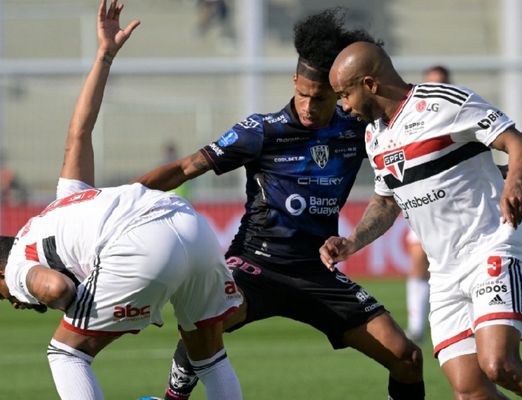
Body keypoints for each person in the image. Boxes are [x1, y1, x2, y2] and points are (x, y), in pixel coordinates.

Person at [135, 8, 425, 400]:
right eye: (302, 94)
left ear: (339, 93)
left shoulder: (357, 127)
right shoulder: (261, 131)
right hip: (257, 265)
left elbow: (418, 151)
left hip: (318, 270)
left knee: (407, 358)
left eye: (319, 98)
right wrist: (117, 200)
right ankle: (174, 395)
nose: (308, 106)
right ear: (294, 82)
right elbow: (186, 167)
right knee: (209, 313)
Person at [0, 1, 243, 399]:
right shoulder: (64, 206)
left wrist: (72, 298)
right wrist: (104, 56)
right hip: (190, 225)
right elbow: (80, 133)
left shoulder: (15, 265)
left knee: (65, 354)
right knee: (209, 358)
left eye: (2, 296)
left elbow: (55, 288)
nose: (11, 303)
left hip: (139, 243)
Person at [322, 41, 522, 399]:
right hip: (443, 273)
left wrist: (513, 184)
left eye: (345, 94)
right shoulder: (373, 135)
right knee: (469, 390)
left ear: (370, 84)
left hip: (491, 247)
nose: (344, 106)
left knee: (499, 363)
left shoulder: (443, 103)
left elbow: (518, 143)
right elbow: (386, 201)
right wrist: (352, 242)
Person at [404, 64, 453, 343]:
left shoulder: (458, 113)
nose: (439, 89)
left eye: (443, 83)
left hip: (457, 203)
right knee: (418, 257)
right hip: (423, 200)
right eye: (433, 83)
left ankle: (455, 325)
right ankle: (416, 326)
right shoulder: (414, 116)